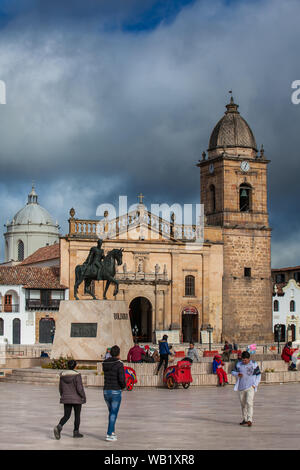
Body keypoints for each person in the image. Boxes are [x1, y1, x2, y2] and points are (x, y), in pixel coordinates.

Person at [53, 359, 86, 440]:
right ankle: (76, 432)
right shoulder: (77, 375)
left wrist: (63, 395)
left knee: (66, 415)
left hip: (66, 397)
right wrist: (83, 396)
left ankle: (59, 426)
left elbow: (60, 388)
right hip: (77, 399)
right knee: (77, 415)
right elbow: (79, 388)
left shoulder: (63, 375)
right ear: (75, 366)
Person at [102, 345, 126, 441]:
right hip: (115, 391)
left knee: (112, 412)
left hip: (106, 391)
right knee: (113, 413)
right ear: (119, 353)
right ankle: (109, 434)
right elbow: (121, 379)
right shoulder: (119, 364)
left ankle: (112, 431)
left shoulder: (105, 363)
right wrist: (123, 386)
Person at [231, 351, 261, 427]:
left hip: (250, 386)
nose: (244, 361)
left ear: (249, 359)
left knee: (249, 402)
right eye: (243, 360)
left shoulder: (253, 364)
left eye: (245, 360)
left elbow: (258, 375)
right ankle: (245, 419)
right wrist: (237, 374)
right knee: (243, 404)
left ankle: (250, 419)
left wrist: (255, 385)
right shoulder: (238, 364)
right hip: (241, 387)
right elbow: (232, 372)